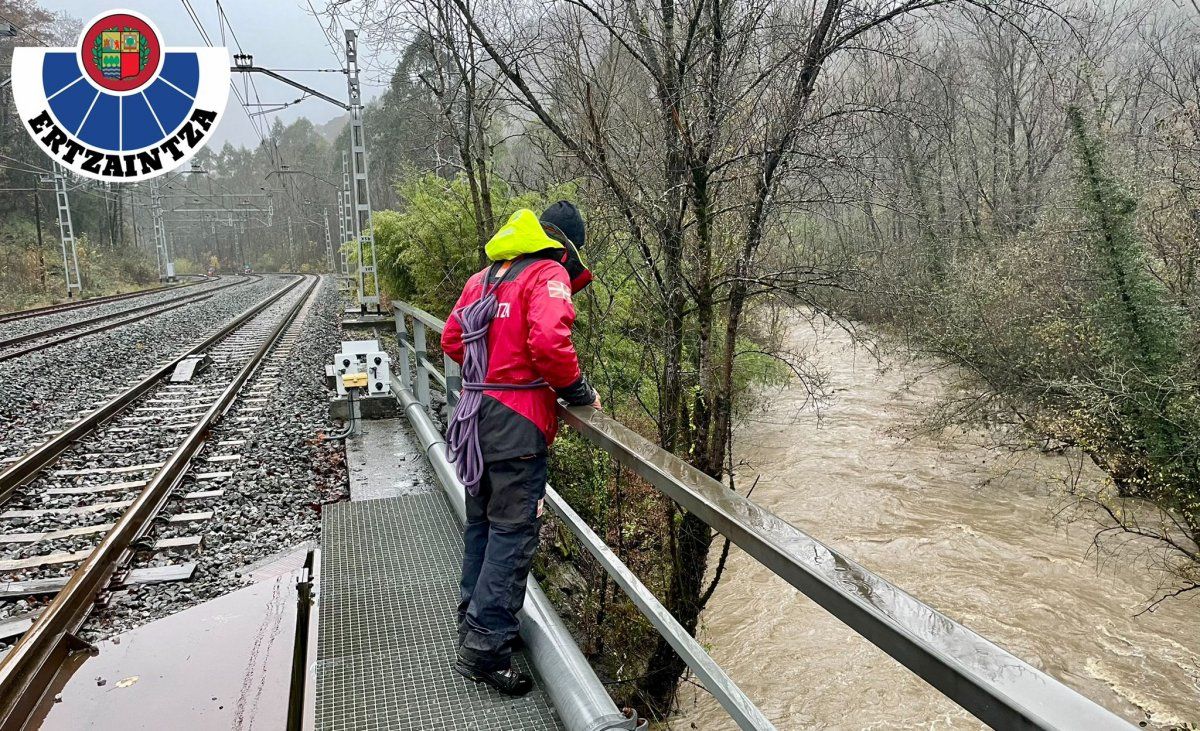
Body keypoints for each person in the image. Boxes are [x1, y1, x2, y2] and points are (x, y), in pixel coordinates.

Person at [441, 201, 599, 696]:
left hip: (473, 417)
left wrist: (491, 369)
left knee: (482, 522)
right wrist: (577, 393)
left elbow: (451, 339)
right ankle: (486, 648)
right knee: (513, 533)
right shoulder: (546, 274)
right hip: (517, 425)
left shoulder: (483, 277)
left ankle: (474, 614)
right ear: (565, 246)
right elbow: (551, 342)